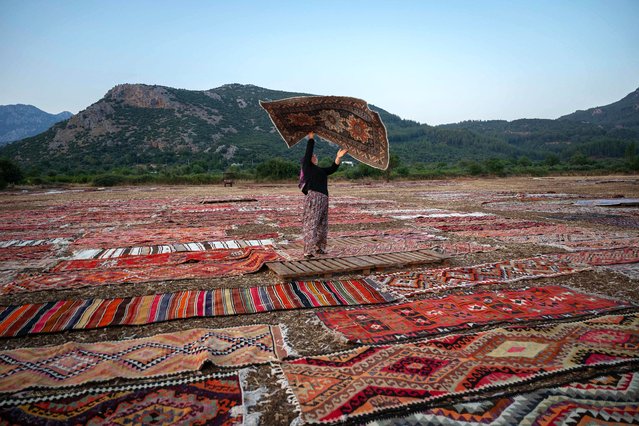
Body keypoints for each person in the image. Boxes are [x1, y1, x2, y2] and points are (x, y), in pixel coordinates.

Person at [301, 131, 348, 258]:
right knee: (312, 223)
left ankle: (319, 248)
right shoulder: (307, 167)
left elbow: (333, 168)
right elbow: (308, 152)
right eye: (313, 156)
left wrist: (338, 157)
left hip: (323, 198)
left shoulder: (320, 170)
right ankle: (308, 251)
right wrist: (311, 138)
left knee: (322, 224)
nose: (314, 156)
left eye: (314, 155)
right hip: (314, 198)